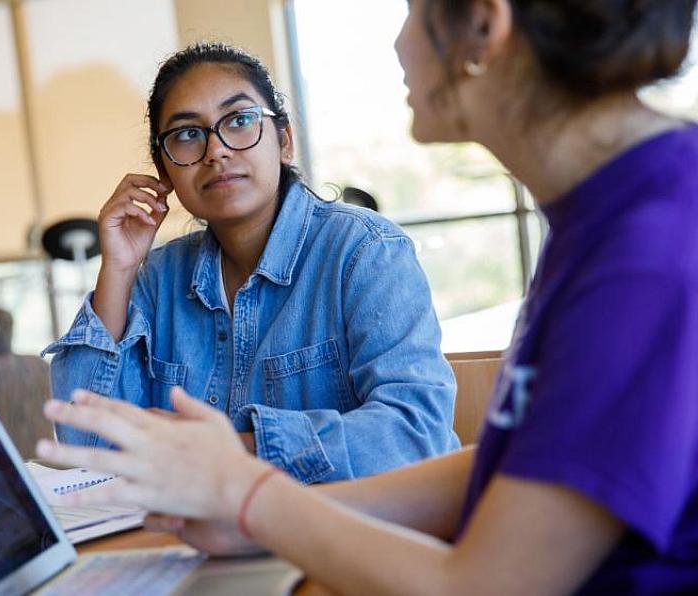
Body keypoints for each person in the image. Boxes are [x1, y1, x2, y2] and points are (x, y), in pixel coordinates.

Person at [37, 0, 698, 592]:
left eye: (412, 8)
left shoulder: (648, 252)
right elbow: (518, 462)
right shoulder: (611, 209)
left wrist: (246, 489)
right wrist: (253, 518)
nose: (396, 42)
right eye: (187, 136)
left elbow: (487, 584)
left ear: (483, 24)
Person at [41, 42, 459, 483]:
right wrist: (119, 268)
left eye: (239, 121)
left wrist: (235, 451)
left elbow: (416, 436)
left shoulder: (364, 252)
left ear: (284, 141)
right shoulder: (158, 278)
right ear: (165, 171)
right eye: (187, 134)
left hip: (346, 534)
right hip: (201, 540)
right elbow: (85, 448)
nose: (215, 150)